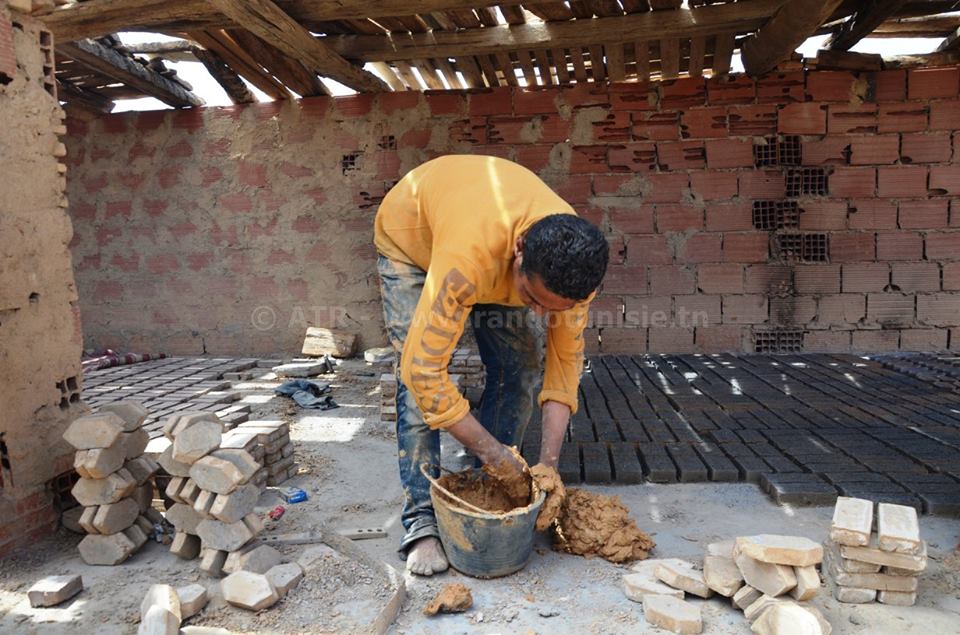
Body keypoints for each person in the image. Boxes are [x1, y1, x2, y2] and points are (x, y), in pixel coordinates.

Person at [374, 155, 609, 575]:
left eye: (553, 308)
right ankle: (422, 521)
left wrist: (548, 468)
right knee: (414, 382)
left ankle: (490, 489)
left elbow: (563, 364)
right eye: (533, 299)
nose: (540, 314)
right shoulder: (468, 258)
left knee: (521, 363)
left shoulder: (574, 275)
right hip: (411, 241)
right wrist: (494, 453)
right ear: (519, 252)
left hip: (483, 248)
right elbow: (424, 373)